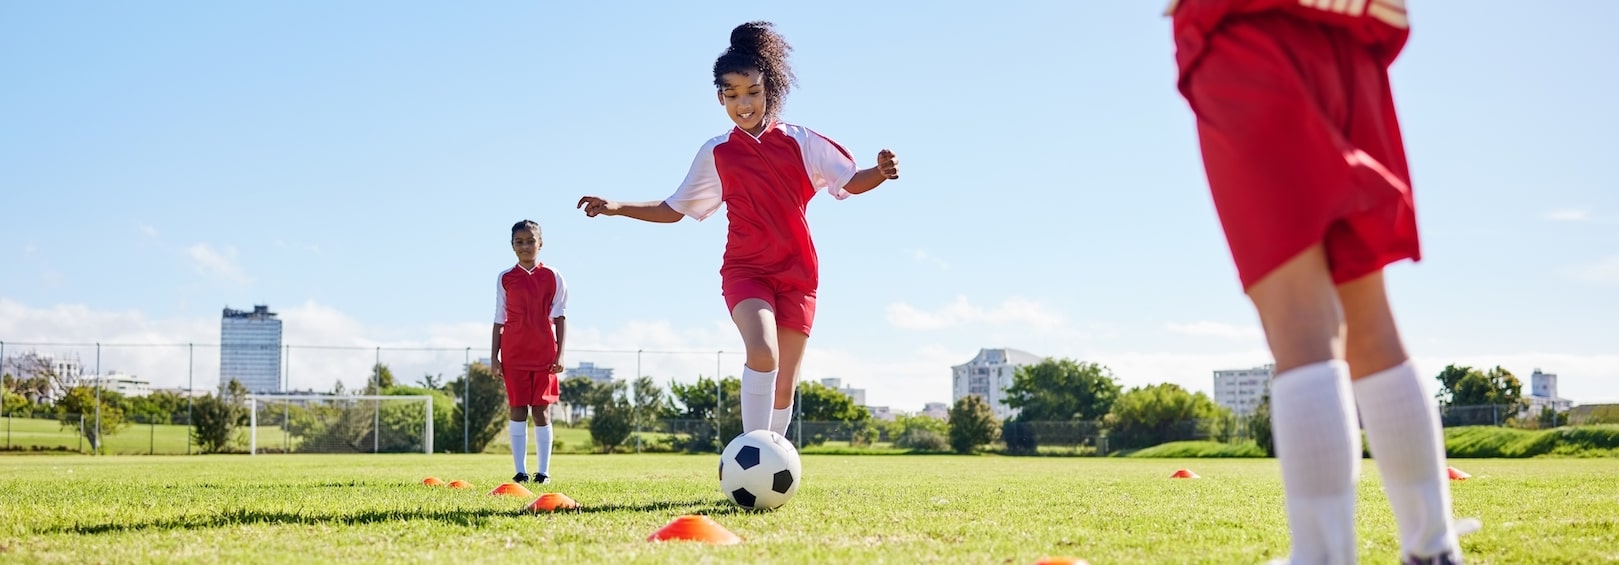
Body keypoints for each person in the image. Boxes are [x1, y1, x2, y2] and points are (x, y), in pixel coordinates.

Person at [1166, 1, 1470, 563]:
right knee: (1369, 324)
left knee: (1301, 322)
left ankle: (1324, 556)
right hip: (1345, 45)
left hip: (1247, 36)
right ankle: (1432, 547)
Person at [576, 21, 899, 440]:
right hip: (746, 270)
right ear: (720, 98)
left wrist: (881, 173)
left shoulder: (802, 141)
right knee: (763, 353)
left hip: (799, 275)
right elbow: (675, 208)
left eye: (753, 93)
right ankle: (751, 452)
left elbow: (851, 181)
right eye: (732, 95)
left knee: (785, 381)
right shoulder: (718, 152)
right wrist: (618, 207)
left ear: (771, 90)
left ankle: (774, 459)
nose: (743, 104)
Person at [492, 219, 566, 484]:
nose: (525, 246)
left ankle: (543, 472)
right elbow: (499, 319)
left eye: (530, 241)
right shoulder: (505, 278)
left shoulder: (553, 277)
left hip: (544, 354)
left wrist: (560, 355)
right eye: (519, 242)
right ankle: (520, 472)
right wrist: (494, 357)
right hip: (513, 354)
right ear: (512, 246)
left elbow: (560, 317)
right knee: (517, 409)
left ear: (541, 243)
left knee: (541, 411)